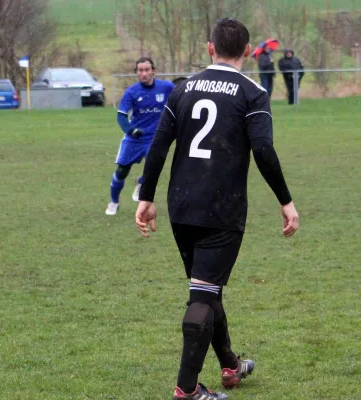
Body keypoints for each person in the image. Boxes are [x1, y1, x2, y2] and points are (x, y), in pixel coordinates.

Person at [135, 19, 299, 400]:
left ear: (210, 48)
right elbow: (263, 150)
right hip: (221, 209)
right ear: (246, 51)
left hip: (180, 206)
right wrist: (286, 200)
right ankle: (187, 390)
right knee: (203, 296)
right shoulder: (252, 92)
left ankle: (230, 365)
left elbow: (159, 146)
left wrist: (146, 197)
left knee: (206, 290)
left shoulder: (182, 89)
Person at [106, 57, 175, 215]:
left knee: (154, 168)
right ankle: (114, 202)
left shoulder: (166, 87)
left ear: (153, 71)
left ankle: (141, 182)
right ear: (137, 72)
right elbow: (121, 116)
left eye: (146, 70)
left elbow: (179, 98)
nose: (143, 73)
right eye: (140, 70)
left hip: (155, 138)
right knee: (122, 171)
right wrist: (131, 130)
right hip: (134, 138)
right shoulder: (132, 92)